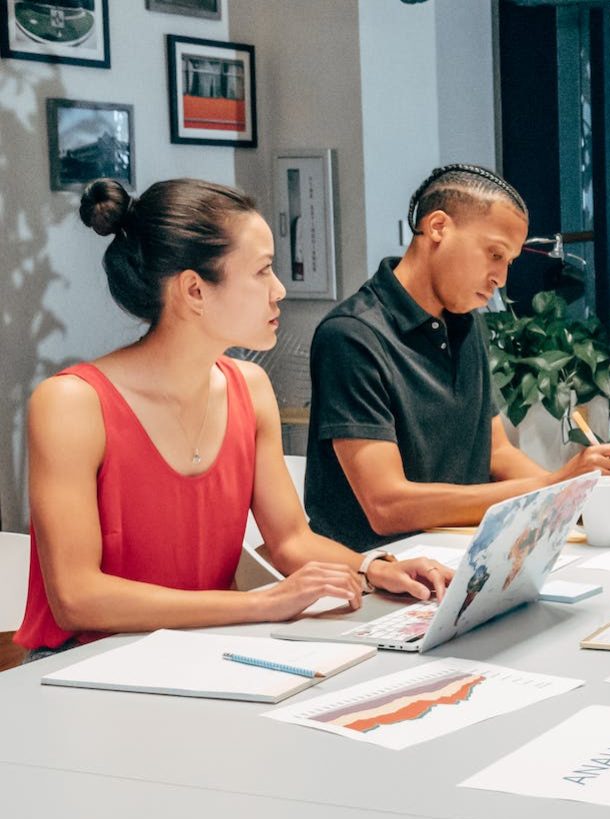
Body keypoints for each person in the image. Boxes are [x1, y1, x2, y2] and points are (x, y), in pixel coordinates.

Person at [16, 178, 452, 663]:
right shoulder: (70, 404)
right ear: (195, 290)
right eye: (262, 271)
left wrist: (374, 569)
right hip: (82, 669)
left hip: (208, 653)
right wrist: (259, 603)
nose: (279, 290)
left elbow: (290, 540)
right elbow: (77, 599)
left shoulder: (250, 387)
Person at [303, 164, 610, 552]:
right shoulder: (352, 335)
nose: (501, 278)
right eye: (494, 254)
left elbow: (497, 452)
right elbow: (386, 505)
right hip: (376, 571)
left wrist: (570, 497)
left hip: (459, 555)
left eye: (508, 261)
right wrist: (551, 484)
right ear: (439, 227)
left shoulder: (465, 324)